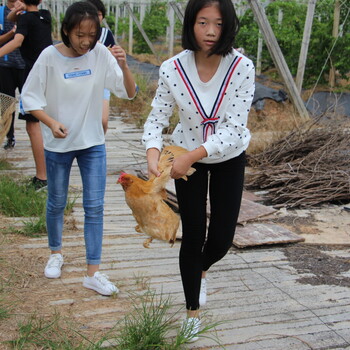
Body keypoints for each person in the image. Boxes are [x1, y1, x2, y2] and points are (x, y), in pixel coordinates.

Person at [142, 0, 255, 342]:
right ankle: (192, 312)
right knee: (192, 235)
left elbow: (234, 128)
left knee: (220, 239)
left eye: (218, 24)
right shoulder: (172, 68)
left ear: (228, 26)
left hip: (227, 158)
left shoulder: (241, 67)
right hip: (184, 163)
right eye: (202, 22)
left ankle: (202, 269)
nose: (209, 32)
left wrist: (192, 155)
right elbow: (157, 117)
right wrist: (152, 153)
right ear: (191, 23)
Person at [21, 1, 137, 296]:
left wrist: (123, 65)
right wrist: (50, 122)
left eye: (91, 34)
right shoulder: (49, 57)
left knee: (95, 207)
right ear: (66, 30)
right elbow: (30, 98)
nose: (86, 41)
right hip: (58, 143)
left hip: (92, 143)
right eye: (79, 35)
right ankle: (56, 253)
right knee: (56, 202)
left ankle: (93, 273)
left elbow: (129, 92)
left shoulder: (100, 54)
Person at [0, 0, 52, 189]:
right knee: (44, 124)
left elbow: (17, 41)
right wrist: (19, 11)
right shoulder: (45, 16)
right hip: (47, 76)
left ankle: (42, 176)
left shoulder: (26, 21)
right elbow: (10, 17)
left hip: (32, 78)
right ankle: (48, 173)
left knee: (32, 126)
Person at [86, 0, 115, 134]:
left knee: (103, 120)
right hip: (83, 81)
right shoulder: (79, 34)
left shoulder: (106, 34)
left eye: (99, 14)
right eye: (93, 14)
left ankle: (99, 144)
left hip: (102, 82)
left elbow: (112, 54)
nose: (97, 18)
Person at [0, 0, 25, 150]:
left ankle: (37, 133)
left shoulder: (27, 12)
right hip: (5, 65)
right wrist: (12, 34)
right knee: (7, 102)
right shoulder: (1, 13)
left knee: (29, 101)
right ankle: (9, 136)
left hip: (24, 65)